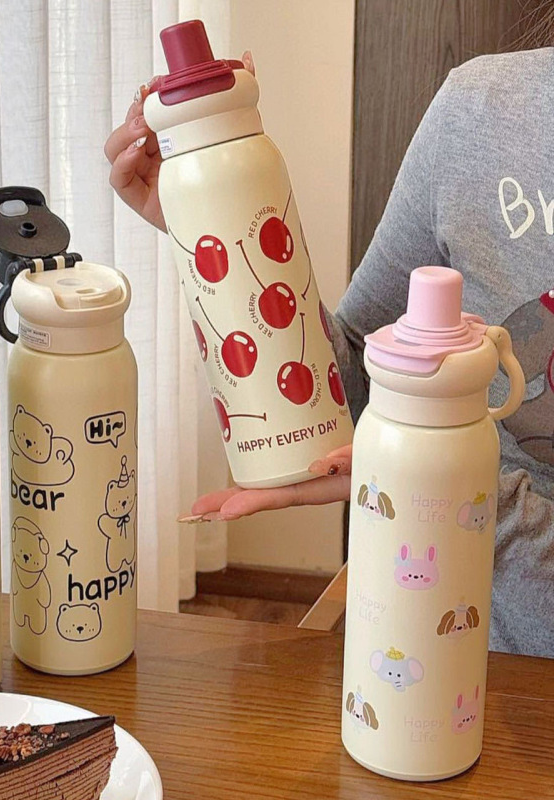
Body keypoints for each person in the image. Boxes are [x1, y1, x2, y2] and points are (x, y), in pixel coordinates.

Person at [104, 38, 554, 656]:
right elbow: (358, 383)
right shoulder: (483, 111)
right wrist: (211, 231)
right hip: (435, 642)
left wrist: (455, 490)